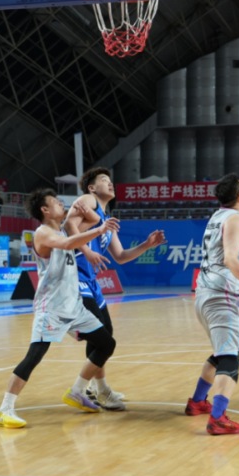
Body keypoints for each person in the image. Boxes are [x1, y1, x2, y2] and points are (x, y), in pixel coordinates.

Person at [0, 189, 120, 429]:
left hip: (75, 307)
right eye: (56, 202)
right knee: (35, 355)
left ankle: (77, 391)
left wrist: (89, 214)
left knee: (107, 344)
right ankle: (4, 409)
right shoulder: (42, 233)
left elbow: (92, 224)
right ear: (45, 210)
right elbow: (68, 242)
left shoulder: (63, 230)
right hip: (52, 308)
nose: (62, 204)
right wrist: (98, 229)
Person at [63, 167, 167, 410]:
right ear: (92, 187)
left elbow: (120, 255)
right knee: (102, 337)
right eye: (104, 180)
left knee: (105, 333)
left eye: (110, 180)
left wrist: (146, 245)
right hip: (75, 277)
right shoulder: (88, 201)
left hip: (92, 282)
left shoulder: (106, 219)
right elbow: (68, 225)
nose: (110, 183)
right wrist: (87, 251)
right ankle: (85, 389)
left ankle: (99, 389)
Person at [185, 173, 239, 434]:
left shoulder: (218, 216)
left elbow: (224, 251)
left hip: (205, 294)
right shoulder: (236, 219)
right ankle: (218, 419)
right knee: (230, 359)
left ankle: (198, 402)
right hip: (222, 297)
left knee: (221, 352)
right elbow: (229, 259)